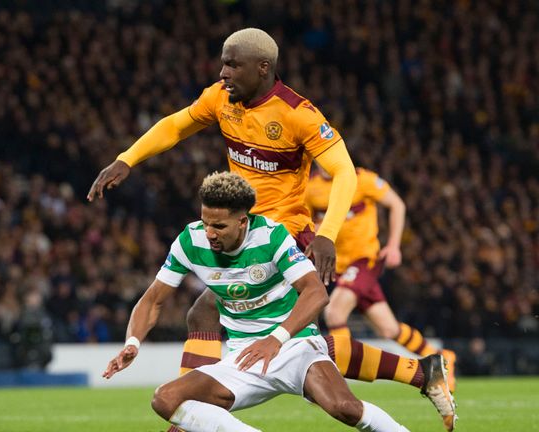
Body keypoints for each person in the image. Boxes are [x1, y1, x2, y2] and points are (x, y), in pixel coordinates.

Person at [88, 28, 456, 430]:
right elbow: (174, 126)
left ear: (263, 68)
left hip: (284, 232)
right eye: (223, 62)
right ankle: (420, 372)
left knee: (215, 311)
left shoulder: (298, 114)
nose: (222, 71)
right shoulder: (220, 99)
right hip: (240, 229)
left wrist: (328, 233)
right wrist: (127, 158)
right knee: (295, 340)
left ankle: (186, 417)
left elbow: (345, 172)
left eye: (232, 64)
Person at [104, 172, 420, 432]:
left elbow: (315, 292)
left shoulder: (272, 237)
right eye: (206, 222)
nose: (210, 233)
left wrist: (276, 339)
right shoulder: (190, 240)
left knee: (346, 409)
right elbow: (152, 300)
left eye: (219, 226)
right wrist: (133, 341)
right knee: (165, 399)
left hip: (295, 346)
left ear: (243, 221)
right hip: (243, 357)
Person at [306, 165, 457, 392]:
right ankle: (441, 357)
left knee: (335, 311)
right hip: (339, 266)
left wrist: (394, 245)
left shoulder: (363, 179)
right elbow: (307, 223)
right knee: (388, 329)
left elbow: (397, 204)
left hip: (364, 260)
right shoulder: (311, 188)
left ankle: (337, 380)